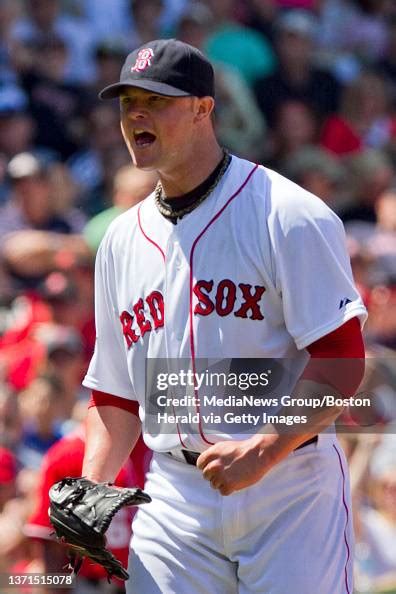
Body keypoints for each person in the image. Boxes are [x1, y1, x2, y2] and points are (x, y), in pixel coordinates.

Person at [81, 38, 368, 593]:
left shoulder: (288, 214)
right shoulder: (119, 240)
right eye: (126, 102)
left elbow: (341, 363)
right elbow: (114, 394)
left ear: (203, 108)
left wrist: (263, 448)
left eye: (155, 99)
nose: (136, 113)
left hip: (289, 488)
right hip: (175, 496)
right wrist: (93, 484)